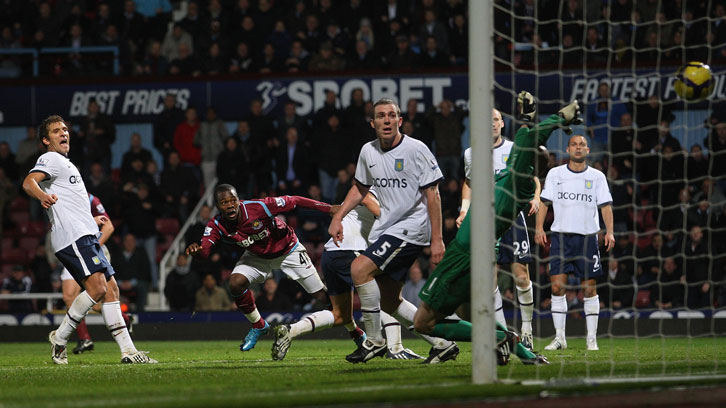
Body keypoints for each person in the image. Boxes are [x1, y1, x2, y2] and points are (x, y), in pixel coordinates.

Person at [412, 93, 581, 366]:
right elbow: (525, 140)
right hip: (473, 250)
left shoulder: (521, 182)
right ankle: (516, 347)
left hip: (466, 254)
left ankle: (502, 339)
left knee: (425, 322)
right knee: (449, 317)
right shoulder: (509, 170)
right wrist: (527, 118)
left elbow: (528, 139)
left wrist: (558, 118)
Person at [328, 98, 458, 364]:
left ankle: (374, 341)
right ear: (372, 122)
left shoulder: (416, 149)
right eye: (380, 116)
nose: (386, 120)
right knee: (388, 300)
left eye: (391, 116)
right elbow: (360, 188)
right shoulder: (368, 151)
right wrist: (338, 217)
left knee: (359, 269)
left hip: (410, 228)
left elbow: (433, 195)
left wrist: (437, 240)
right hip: (386, 228)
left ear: (400, 121)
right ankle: (443, 344)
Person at [22, 115, 155, 364]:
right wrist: (41, 196)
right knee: (98, 288)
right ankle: (60, 339)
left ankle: (129, 351)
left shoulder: (66, 164)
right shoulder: (49, 159)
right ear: (45, 140)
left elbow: (70, 202)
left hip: (85, 233)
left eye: (65, 129)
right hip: (73, 237)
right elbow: (29, 182)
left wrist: (90, 220)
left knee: (111, 290)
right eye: (56, 131)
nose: (64, 133)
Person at [271, 191, 445, 362]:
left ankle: (290, 330)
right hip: (350, 250)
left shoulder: (393, 192)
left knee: (341, 315)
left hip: (332, 254)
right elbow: (367, 197)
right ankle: (395, 348)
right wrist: (392, 221)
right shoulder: (382, 185)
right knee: (387, 295)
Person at [185, 184, 334, 352]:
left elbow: (295, 200)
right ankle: (259, 325)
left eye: (233, 200)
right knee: (235, 283)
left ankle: (354, 330)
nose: (230, 205)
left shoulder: (258, 207)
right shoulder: (216, 224)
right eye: (224, 202)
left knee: (322, 296)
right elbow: (204, 251)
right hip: (257, 256)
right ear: (218, 206)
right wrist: (196, 252)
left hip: (288, 250)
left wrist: (329, 209)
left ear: (239, 201)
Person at [456, 107, 541, 350]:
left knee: (521, 275)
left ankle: (526, 328)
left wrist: (535, 198)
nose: (492, 124)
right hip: (486, 221)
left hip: (513, 217)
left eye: (495, 120)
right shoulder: (471, 154)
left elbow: (533, 178)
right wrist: (463, 210)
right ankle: (504, 334)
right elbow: (469, 184)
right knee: (489, 278)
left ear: (502, 124)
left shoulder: (514, 149)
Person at [535, 134, 615, 352]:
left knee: (589, 289)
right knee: (557, 286)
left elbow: (606, 206)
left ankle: (591, 339)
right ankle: (560, 338)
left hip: (588, 239)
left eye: (581, 145)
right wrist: (539, 227)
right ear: (568, 149)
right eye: (574, 145)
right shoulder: (555, 173)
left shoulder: (597, 176)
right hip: (561, 238)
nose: (578, 148)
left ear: (587, 150)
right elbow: (544, 203)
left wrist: (610, 232)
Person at [58, 193, 133, 354]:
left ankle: (125, 320)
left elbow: (109, 226)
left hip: (89, 250)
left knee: (101, 295)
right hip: (73, 250)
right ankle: (85, 338)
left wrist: (92, 246)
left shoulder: (91, 199)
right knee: (69, 296)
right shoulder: (60, 197)